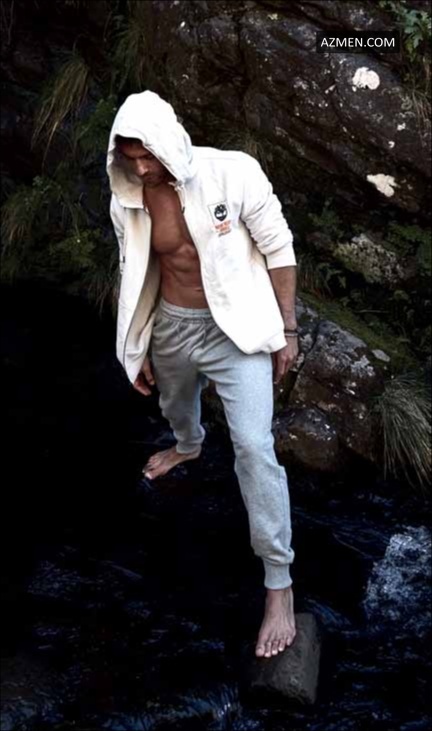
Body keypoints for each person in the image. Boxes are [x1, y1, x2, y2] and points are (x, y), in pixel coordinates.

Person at [107, 91, 299, 659]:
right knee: (174, 405)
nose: (143, 168)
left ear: (169, 141)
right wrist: (137, 342)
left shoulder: (233, 172)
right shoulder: (129, 197)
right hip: (172, 324)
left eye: (148, 155)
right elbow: (134, 269)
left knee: (254, 447)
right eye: (131, 158)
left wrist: (287, 330)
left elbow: (279, 246)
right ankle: (188, 445)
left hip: (237, 330)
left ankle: (279, 584)